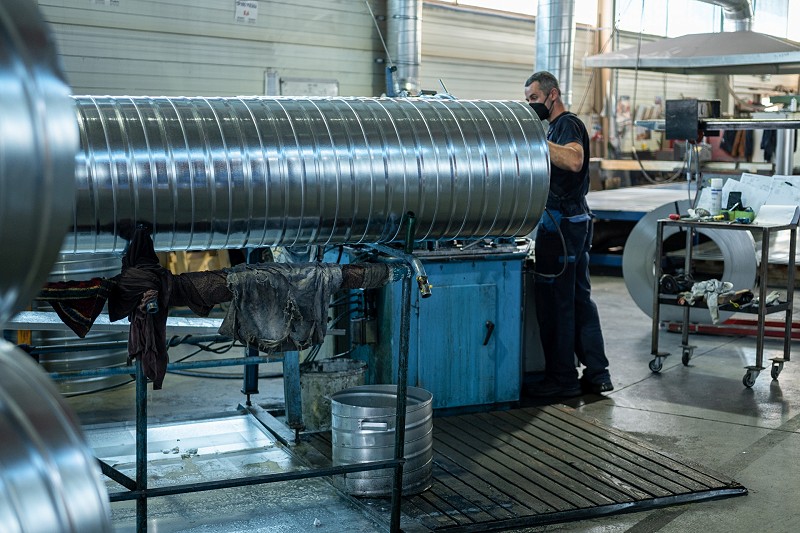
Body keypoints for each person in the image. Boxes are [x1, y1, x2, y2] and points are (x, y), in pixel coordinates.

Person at [524, 71, 613, 397]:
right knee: (578, 300)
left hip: (562, 228)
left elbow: (574, 161)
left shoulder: (567, 125)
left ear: (552, 95)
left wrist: (533, 141)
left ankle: (561, 380)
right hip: (572, 224)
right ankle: (597, 373)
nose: (531, 104)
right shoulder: (555, 128)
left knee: (556, 304)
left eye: (534, 98)